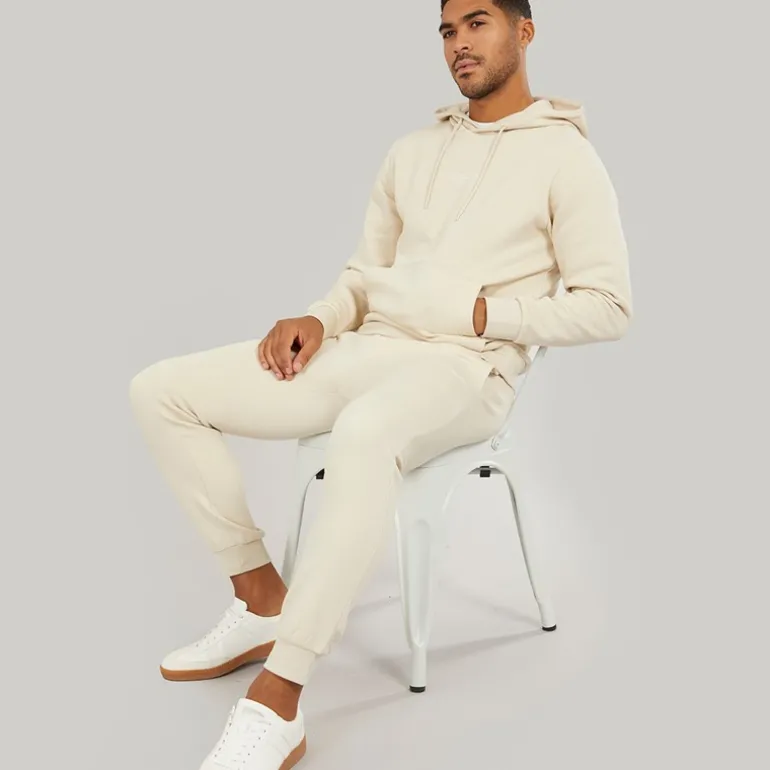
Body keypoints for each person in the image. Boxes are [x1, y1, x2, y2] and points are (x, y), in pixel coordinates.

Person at [129, 0, 632, 767]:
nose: (459, 44)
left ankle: (281, 692)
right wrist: (321, 317)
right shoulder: (412, 150)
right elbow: (365, 274)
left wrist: (483, 313)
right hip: (370, 348)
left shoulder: (567, 158)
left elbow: (608, 306)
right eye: (448, 30)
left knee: (365, 432)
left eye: (477, 23)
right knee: (161, 390)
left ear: (524, 31)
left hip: (470, 370)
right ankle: (262, 598)